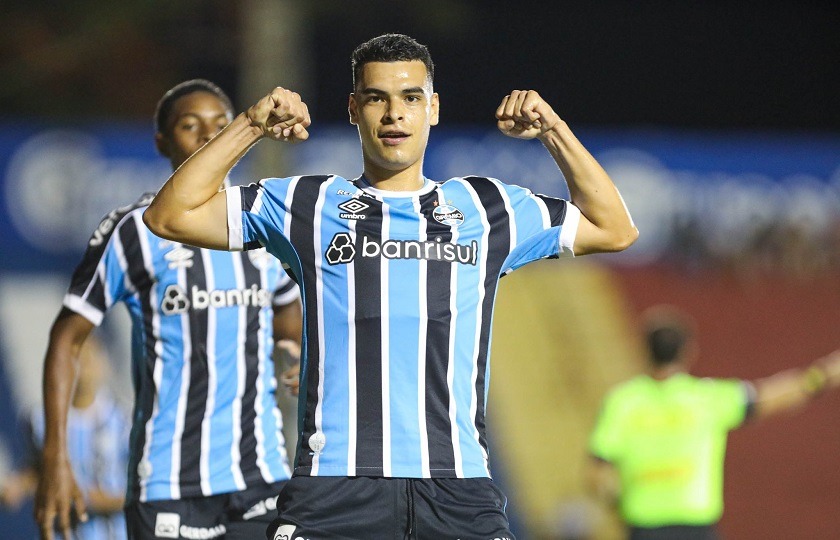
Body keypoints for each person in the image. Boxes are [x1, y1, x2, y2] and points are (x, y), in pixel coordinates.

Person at [144, 34, 638, 539]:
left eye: (410, 97)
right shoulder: (307, 205)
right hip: (335, 489)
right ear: (354, 109)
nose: (394, 114)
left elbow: (614, 229)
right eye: (377, 98)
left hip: (458, 489)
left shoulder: (489, 208)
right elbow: (170, 215)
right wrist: (249, 126)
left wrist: (552, 130)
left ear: (434, 108)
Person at [35, 79, 303, 540]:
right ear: (162, 141)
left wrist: (289, 347)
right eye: (189, 125)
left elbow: (287, 307)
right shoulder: (136, 231)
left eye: (221, 125)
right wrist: (54, 458)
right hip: (168, 485)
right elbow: (67, 336)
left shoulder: (262, 221)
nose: (209, 136)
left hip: (263, 476)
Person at [587, 305, 840, 540]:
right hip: (696, 524)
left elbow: (598, 476)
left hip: (642, 524)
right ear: (688, 351)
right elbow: (771, 396)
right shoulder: (708, 399)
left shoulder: (622, 402)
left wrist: (620, 501)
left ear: (645, 350)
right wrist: (821, 375)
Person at [2, 336, 129, 540]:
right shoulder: (40, 421)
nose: (84, 364)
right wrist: (18, 486)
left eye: (90, 355)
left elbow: (144, 492)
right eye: (76, 356)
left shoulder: (124, 422)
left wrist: (102, 500)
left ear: (104, 364)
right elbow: (38, 470)